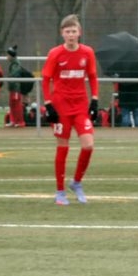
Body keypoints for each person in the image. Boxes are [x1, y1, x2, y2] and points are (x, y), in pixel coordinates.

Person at [41, 13, 100, 206]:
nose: (71, 35)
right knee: (63, 147)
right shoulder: (55, 54)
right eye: (68, 31)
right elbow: (46, 80)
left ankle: (76, 182)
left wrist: (95, 99)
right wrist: (49, 104)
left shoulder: (87, 52)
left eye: (74, 31)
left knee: (88, 145)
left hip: (81, 105)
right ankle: (59, 191)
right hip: (61, 106)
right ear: (62, 34)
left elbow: (92, 76)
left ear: (80, 32)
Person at [5, 45, 26, 127]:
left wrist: (9, 77)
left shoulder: (16, 63)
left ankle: (20, 121)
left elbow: (14, 74)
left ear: (11, 55)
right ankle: (13, 121)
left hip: (16, 87)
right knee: (12, 104)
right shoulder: (13, 63)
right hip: (12, 87)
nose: (6, 57)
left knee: (17, 104)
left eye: (8, 55)